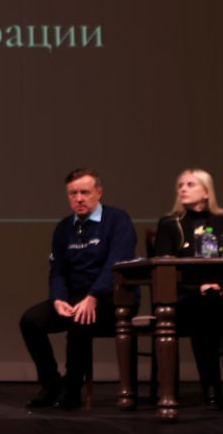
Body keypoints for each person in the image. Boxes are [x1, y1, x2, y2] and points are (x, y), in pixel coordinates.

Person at [20, 169, 137, 410]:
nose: (79, 198)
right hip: (75, 297)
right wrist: (58, 299)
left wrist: (93, 296)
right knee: (31, 321)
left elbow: (116, 264)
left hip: (112, 297)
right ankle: (51, 384)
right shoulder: (64, 227)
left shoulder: (118, 219)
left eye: (85, 192)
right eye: (73, 193)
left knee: (80, 321)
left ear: (99, 193)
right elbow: (57, 271)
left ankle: (72, 389)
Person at [151, 169, 223, 410]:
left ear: (206, 192)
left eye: (190, 184)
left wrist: (222, 286)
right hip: (187, 296)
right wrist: (199, 286)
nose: (183, 189)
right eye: (180, 185)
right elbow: (163, 268)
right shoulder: (170, 224)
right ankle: (211, 390)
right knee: (204, 313)